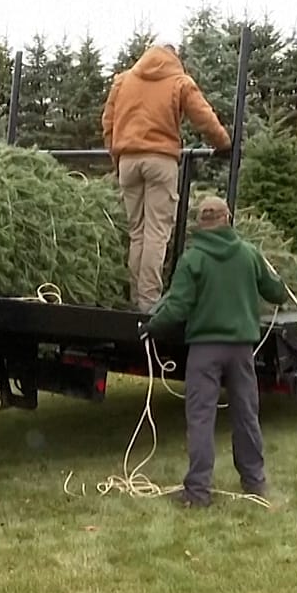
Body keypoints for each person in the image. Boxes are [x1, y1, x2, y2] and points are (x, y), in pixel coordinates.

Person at [143, 196, 287, 507]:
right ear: (228, 218)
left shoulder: (192, 260)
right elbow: (276, 293)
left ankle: (198, 491)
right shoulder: (249, 254)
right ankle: (255, 481)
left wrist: (151, 327)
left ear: (201, 224)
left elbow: (177, 307)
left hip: (204, 351)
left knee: (201, 417)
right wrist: (279, 281)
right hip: (241, 351)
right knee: (246, 414)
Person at [102, 44, 233, 312]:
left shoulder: (123, 81)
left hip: (128, 161)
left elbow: (108, 122)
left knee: (137, 233)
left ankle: (135, 299)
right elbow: (204, 117)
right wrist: (223, 143)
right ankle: (149, 303)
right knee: (156, 233)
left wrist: (117, 158)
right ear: (175, 57)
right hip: (160, 161)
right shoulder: (179, 81)